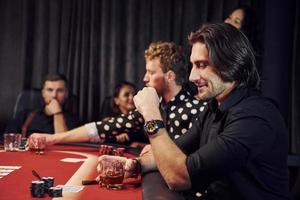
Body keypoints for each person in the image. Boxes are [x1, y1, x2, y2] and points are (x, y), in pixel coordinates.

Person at [108, 23, 290, 199]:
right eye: (193, 65)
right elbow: (173, 152)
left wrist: (151, 113)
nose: (192, 77)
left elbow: (179, 177)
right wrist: (134, 165)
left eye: (201, 65)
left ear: (230, 64)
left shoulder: (255, 116)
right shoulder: (213, 107)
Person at [27, 42, 207, 147]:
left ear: (169, 76)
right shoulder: (156, 104)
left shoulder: (194, 110)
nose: (145, 78)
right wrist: (53, 138)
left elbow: (181, 166)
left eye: (151, 72)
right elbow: (106, 127)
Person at [5, 74, 78, 137]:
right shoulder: (25, 115)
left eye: (60, 90)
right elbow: (9, 140)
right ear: (43, 93)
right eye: (50, 90)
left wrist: (57, 113)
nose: (54, 95)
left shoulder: (72, 119)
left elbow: (65, 144)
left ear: (66, 94)